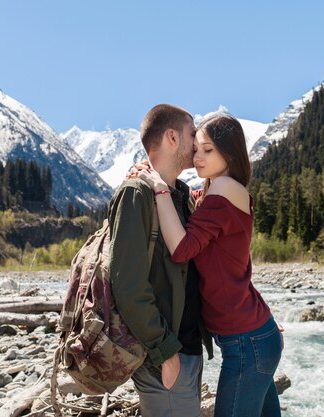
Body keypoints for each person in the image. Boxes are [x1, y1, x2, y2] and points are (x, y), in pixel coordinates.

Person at [136, 113, 283, 417]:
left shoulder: (224, 189)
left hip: (248, 342)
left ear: (229, 153)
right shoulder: (215, 190)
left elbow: (182, 249)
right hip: (254, 334)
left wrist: (159, 188)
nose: (198, 157)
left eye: (208, 150)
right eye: (197, 148)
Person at [108, 104, 213, 417]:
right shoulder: (135, 193)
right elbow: (127, 284)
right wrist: (164, 351)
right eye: (191, 134)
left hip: (187, 348)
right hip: (165, 353)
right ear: (171, 137)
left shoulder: (180, 193)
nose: (196, 142)